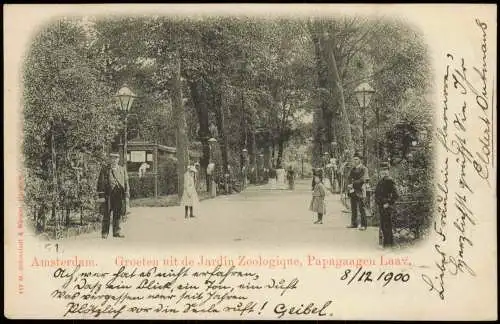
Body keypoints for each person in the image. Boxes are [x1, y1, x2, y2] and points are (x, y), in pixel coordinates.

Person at [97, 152, 129, 239]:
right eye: (112, 158)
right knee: (106, 213)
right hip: (108, 195)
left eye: (116, 158)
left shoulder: (122, 169)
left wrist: (126, 195)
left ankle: (116, 232)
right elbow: (100, 183)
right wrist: (101, 196)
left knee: (117, 214)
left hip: (119, 194)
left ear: (118, 160)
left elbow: (126, 183)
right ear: (110, 159)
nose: (114, 160)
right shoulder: (105, 170)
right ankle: (104, 233)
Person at [375, 162, 399, 247]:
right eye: (382, 170)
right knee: (384, 226)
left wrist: (388, 203)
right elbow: (377, 193)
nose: (384, 172)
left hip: (386, 206)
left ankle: (388, 245)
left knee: (387, 226)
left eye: (385, 170)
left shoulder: (390, 180)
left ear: (388, 171)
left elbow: (396, 195)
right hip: (381, 206)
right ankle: (387, 244)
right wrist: (378, 201)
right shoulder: (381, 181)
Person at [347, 152, 370, 230]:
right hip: (353, 190)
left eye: (356, 159)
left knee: (362, 208)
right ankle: (354, 223)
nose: (355, 161)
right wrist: (349, 185)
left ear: (360, 160)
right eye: (354, 159)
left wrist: (353, 184)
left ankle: (364, 225)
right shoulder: (353, 169)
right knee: (353, 208)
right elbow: (349, 178)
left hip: (361, 190)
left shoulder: (364, 169)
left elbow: (363, 179)